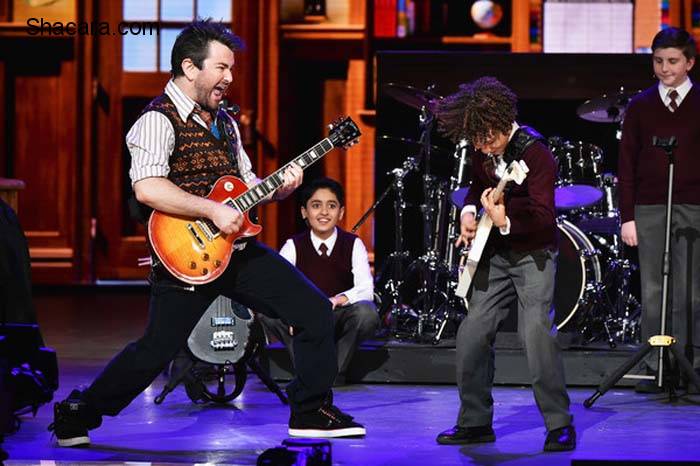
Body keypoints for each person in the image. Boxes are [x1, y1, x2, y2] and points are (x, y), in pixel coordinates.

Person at [48, 20, 365, 447]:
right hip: (184, 257)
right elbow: (148, 187)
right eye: (221, 68)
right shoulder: (155, 121)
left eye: (231, 69)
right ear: (190, 68)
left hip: (236, 252)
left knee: (313, 311)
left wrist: (279, 190)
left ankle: (309, 411)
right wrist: (212, 210)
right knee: (155, 350)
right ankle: (78, 414)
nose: (230, 78)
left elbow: (247, 188)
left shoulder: (227, 124)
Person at [431, 77, 575, 451]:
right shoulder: (483, 147)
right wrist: (468, 210)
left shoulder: (536, 154)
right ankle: (475, 422)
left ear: (502, 119)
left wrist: (505, 220)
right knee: (471, 334)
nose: (481, 146)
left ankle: (559, 423)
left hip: (534, 254)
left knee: (536, 334)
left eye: (486, 137)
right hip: (496, 254)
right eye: (475, 140)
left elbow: (544, 215)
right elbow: (476, 182)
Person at [618, 27, 700, 392]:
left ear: (689, 63)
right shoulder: (640, 106)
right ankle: (658, 365)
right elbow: (626, 165)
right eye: (658, 61)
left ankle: (689, 364)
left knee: (690, 292)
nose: (665, 69)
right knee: (654, 291)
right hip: (650, 207)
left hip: (693, 207)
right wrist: (627, 217)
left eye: (672, 61)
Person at [259, 177, 380, 386]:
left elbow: (366, 289)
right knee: (267, 311)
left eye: (331, 206)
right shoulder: (293, 246)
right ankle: (305, 370)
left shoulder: (353, 244)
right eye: (316, 206)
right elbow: (278, 287)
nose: (324, 212)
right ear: (304, 212)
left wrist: (337, 300)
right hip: (304, 318)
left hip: (337, 316)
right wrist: (294, 313)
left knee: (366, 313)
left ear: (340, 213)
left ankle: (334, 373)